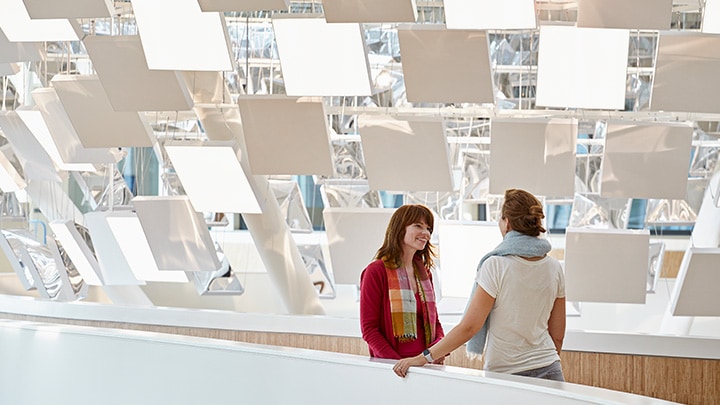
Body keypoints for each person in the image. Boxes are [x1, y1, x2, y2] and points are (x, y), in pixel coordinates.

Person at [393, 189, 566, 381]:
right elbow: (557, 335)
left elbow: (469, 327)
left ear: (506, 222)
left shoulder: (496, 265)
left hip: (507, 376)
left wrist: (422, 358)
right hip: (550, 368)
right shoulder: (554, 267)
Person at [359, 204, 445, 363]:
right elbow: (369, 330)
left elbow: (436, 324)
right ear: (399, 229)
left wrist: (434, 352)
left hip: (425, 366)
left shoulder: (425, 274)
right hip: (392, 367)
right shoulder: (375, 272)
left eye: (429, 228)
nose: (425, 233)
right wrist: (396, 363)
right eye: (418, 226)